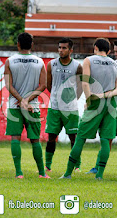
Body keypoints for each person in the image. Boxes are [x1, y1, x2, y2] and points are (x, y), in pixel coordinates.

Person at [60, 38, 117, 180]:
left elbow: (85, 83)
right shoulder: (116, 65)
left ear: (95, 47)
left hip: (95, 102)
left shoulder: (89, 60)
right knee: (106, 140)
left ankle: (68, 173)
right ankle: (99, 175)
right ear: (108, 51)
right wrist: (106, 95)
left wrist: (90, 99)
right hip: (111, 105)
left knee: (80, 137)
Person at [4, 32, 49, 179]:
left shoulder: (10, 61)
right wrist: (28, 100)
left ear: (18, 44)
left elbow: (8, 85)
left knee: (15, 138)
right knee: (35, 139)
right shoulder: (39, 62)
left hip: (14, 105)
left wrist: (20, 99)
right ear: (32, 45)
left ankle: (18, 173)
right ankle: (42, 173)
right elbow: (43, 85)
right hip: (33, 106)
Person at [86, 38, 117, 176]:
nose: (116, 54)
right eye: (115, 51)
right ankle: (98, 166)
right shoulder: (113, 65)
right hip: (113, 105)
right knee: (107, 138)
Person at [45, 38, 83, 172]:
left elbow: (80, 86)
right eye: (59, 47)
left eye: (64, 48)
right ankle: (47, 165)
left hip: (70, 109)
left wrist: (72, 99)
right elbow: (49, 85)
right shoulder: (51, 64)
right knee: (51, 137)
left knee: (74, 138)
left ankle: (76, 165)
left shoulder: (77, 66)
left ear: (71, 50)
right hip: (54, 107)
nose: (61, 50)